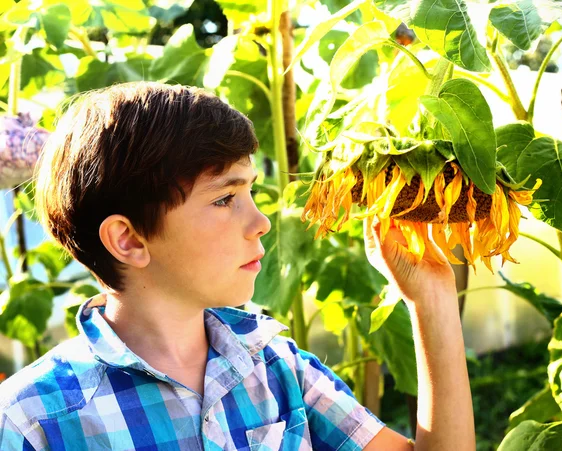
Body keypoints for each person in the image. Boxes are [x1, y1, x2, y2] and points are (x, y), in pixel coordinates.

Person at [0, 82, 475, 450]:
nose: (262, 222)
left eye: (252, 192)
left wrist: (429, 296)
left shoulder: (279, 369)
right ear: (129, 239)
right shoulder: (33, 419)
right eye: (226, 198)